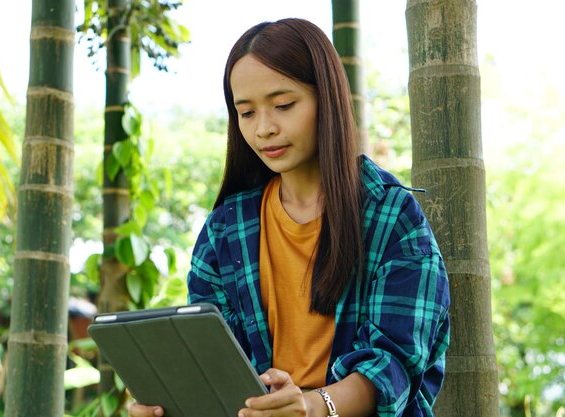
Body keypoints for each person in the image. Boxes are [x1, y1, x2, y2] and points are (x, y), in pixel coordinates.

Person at [129, 17, 450, 417]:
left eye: (283, 105)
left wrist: (314, 407)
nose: (264, 128)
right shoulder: (225, 232)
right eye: (246, 113)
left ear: (327, 99)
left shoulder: (393, 218)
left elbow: (396, 364)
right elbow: (214, 370)